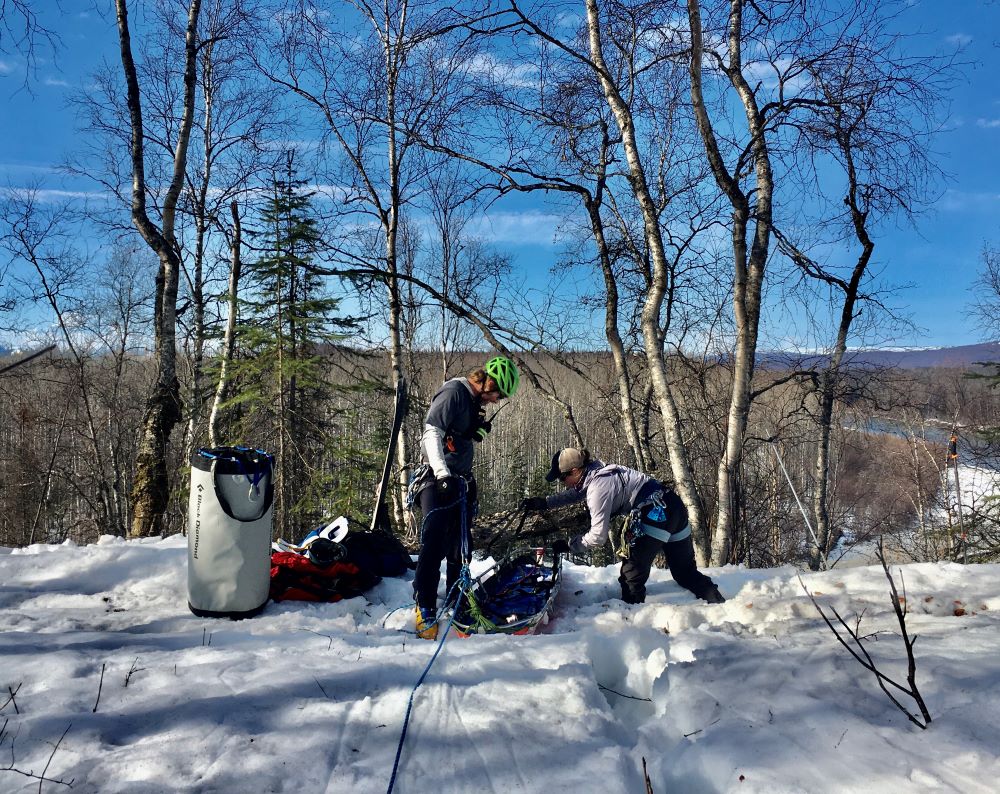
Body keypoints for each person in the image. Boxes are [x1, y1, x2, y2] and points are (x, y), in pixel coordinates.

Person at [521, 448, 725, 605]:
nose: (562, 482)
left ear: (575, 471)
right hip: (674, 506)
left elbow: (598, 537)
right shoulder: (598, 470)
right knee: (684, 572)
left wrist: (569, 545)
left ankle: (631, 621)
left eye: (562, 477)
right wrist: (545, 502)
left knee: (631, 578)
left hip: (654, 514)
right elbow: (578, 492)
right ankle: (719, 604)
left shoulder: (597, 489)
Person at [412, 356, 520, 639]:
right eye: (498, 394)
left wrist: (473, 432)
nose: (496, 400)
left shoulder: (473, 400)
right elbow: (431, 432)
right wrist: (441, 473)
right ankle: (424, 604)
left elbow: (456, 433)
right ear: (488, 383)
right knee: (434, 541)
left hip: (460, 480)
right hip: (437, 479)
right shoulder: (454, 392)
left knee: (461, 546)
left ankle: (455, 598)